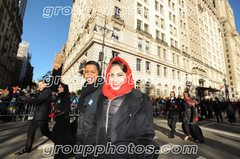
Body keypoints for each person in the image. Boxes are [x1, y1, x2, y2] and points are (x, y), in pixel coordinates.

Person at [84, 57, 159, 158]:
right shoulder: (102, 97)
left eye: (120, 75)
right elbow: (95, 127)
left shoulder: (141, 99)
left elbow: (145, 135)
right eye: (111, 75)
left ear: (127, 76)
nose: (115, 79)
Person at [75, 61, 104, 158]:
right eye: (86, 72)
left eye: (93, 72)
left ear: (99, 74)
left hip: (93, 144)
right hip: (81, 139)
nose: (89, 75)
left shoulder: (103, 91)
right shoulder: (85, 89)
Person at [15, 80, 52, 155]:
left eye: (41, 85)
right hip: (38, 116)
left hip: (42, 116)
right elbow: (37, 100)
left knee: (46, 133)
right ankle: (27, 148)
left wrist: (25, 98)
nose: (39, 86)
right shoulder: (42, 92)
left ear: (45, 85)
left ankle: (61, 142)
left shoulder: (47, 91)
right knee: (30, 130)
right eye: (39, 85)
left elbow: (37, 101)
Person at [50, 82, 75, 159]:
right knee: (55, 137)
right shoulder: (59, 97)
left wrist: (58, 114)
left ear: (64, 88)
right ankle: (60, 154)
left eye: (60, 87)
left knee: (60, 139)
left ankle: (60, 155)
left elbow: (67, 109)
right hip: (59, 121)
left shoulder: (66, 97)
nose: (58, 88)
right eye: (58, 87)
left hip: (63, 121)